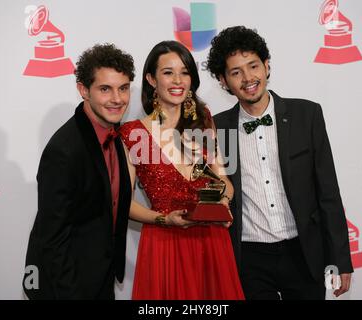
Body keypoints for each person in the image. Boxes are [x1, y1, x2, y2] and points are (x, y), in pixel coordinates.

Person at [207, 26, 353, 300]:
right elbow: (218, 193)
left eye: (253, 66)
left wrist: (340, 260)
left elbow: (329, 194)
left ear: (267, 66)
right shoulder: (218, 129)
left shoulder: (306, 115)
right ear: (223, 80)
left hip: (303, 252)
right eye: (236, 72)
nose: (248, 78)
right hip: (249, 258)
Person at [120, 40, 244, 300]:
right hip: (163, 245)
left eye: (185, 72)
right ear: (151, 79)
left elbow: (224, 180)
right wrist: (164, 219)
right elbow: (123, 203)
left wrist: (222, 202)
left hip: (211, 243)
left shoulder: (204, 120)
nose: (178, 80)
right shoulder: (132, 134)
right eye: (168, 72)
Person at [22, 44, 134, 299]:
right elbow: (53, 239)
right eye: (105, 89)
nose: (117, 99)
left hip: (100, 278)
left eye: (123, 88)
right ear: (84, 90)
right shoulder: (64, 151)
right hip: (67, 285)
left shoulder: (113, 133)